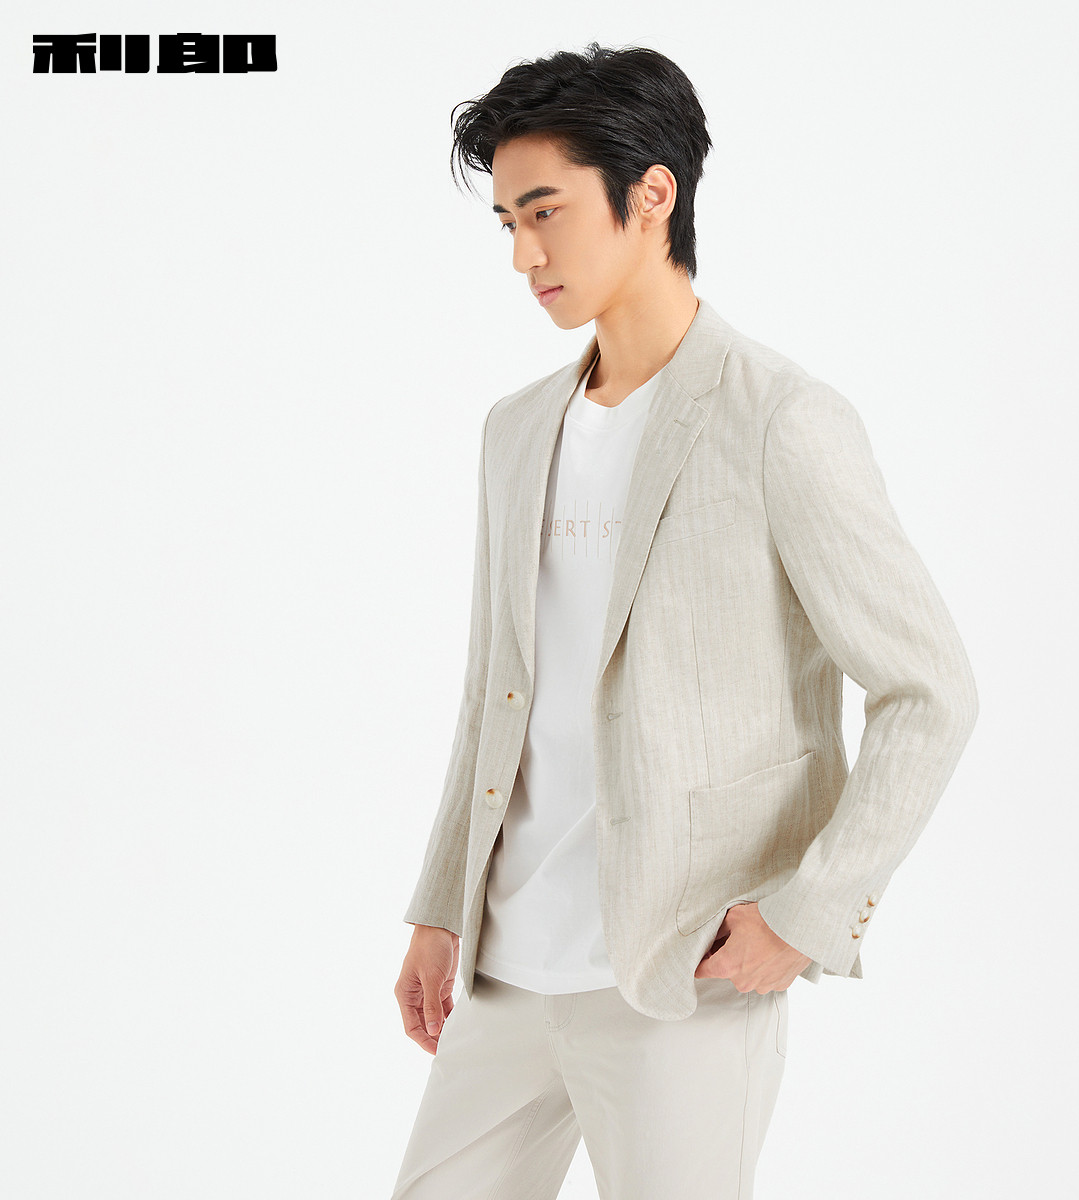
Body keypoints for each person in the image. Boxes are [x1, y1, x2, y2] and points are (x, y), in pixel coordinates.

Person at [388, 42, 979, 1200]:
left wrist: (808, 913)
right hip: (505, 968)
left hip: (681, 975)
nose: (523, 255)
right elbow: (493, 693)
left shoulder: (782, 420)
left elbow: (931, 689)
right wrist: (438, 905)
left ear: (652, 194)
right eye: (508, 221)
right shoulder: (516, 431)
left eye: (545, 212)